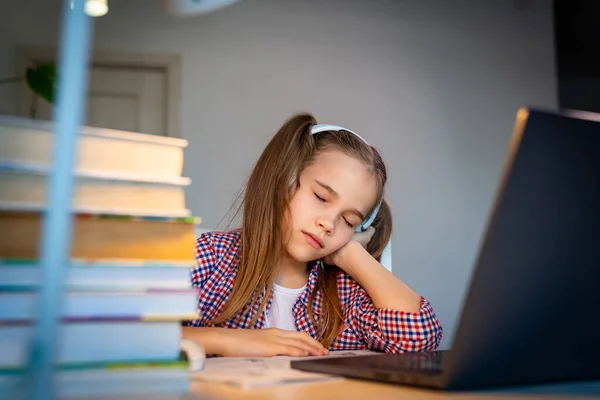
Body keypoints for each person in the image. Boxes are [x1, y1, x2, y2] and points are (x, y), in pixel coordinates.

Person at [182, 113, 442, 357]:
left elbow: (418, 336)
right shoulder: (208, 258)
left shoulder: (343, 294)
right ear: (283, 180)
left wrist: (351, 254)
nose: (329, 224)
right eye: (321, 197)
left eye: (349, 221)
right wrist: (226, 340)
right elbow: (141, 335)